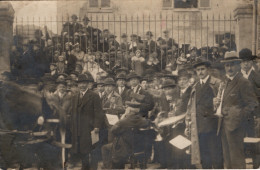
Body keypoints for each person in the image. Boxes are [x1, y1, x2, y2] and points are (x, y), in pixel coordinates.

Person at [215, 51, 258, 169]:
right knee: (227, 157)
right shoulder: (226, 81)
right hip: (223, 124)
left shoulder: (243, 82)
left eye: (232, 64)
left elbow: (252, 104)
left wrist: (238, 116)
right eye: (227, 65)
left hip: (235, 126)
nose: (229, 68)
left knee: (236, 158)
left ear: (238, 65)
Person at [185, 58, 223, 169]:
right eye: (198, 70)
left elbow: (221, 102)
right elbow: (191, 106)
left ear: (208, 70)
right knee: (204, 156)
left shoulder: (216, 83)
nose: (200, 72)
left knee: (216, 155)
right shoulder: (195, 86)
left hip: (213, 125)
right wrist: (189, 123)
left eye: (202, 69)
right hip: (199, 125)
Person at [69, 74, 105, 170]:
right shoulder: (74, 97)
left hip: (90, 128)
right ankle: (84, 168)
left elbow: (99, 113)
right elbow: (72, 113)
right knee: (81, 151)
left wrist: (97, 126)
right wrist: (72, 127)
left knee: (92, 151)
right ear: (78, 85)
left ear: (88, 84)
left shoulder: (94, 96)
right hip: (78, 129)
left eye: (84, 83)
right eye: (80, 83)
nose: (82, 85)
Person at [239, 48, 260, 168]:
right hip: (240, 113)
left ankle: (256, 164)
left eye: (248, 61)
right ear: (240, 63)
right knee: (241, 137)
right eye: (243, 61)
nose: (245, 63)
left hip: (255, 113)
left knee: (255, 137)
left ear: (251, 62)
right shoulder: (237, 76)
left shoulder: (257, 76)